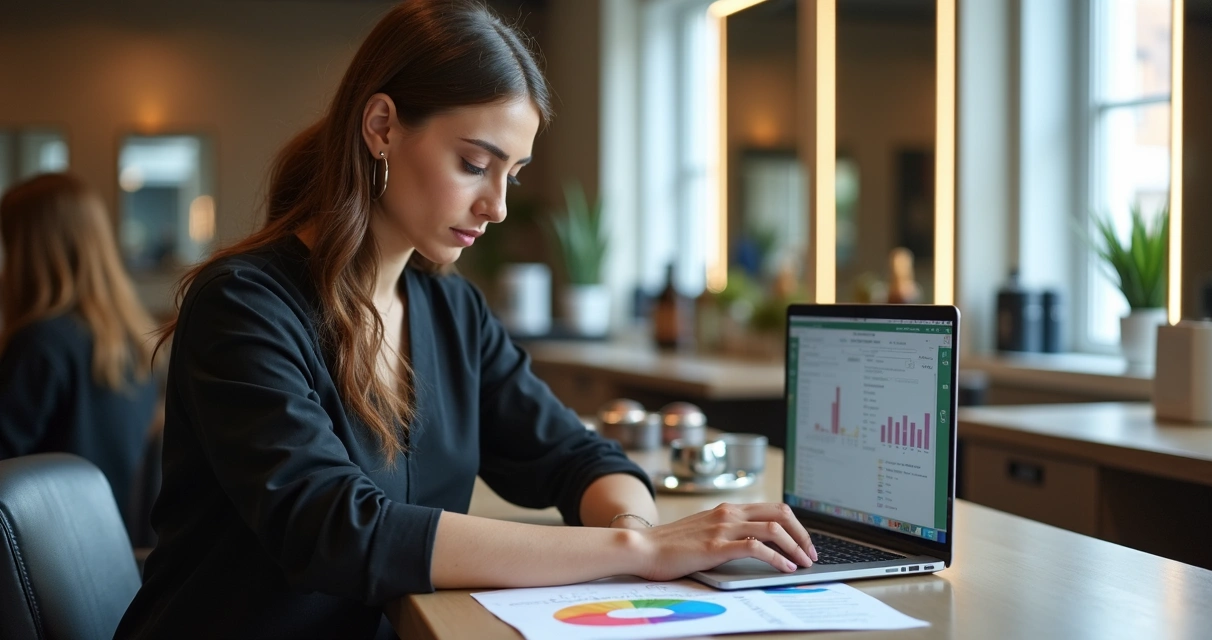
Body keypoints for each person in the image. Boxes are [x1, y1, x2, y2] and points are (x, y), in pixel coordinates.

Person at [116, 2, 816, 638]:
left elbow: (576, 456)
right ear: (383, 126)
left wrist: (641, 538)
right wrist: (641, 549)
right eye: (474, 163)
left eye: (510, 174)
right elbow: (338, 533)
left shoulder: (450, 310)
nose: (497, 205)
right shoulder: (243, 305)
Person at [0, 172, 159, 525]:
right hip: (105, 550)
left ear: (26, 252)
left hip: (41, 553)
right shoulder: (132, 340)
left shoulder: (41, 344)